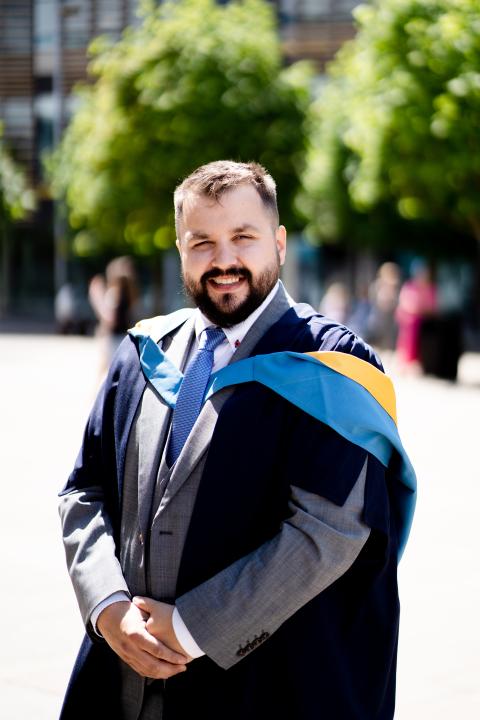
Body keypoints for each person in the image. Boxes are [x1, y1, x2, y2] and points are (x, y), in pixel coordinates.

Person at [59, 161, 416, 720]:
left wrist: (190, 629)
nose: (224, 260)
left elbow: (331, 530)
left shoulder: (333, 367)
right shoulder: (141, 353)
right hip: (123, 683)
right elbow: (83, 490)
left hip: (268, 688)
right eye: (202, 242)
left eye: (243, 237)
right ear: (180, 248)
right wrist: (107, 606)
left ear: (277, 242)